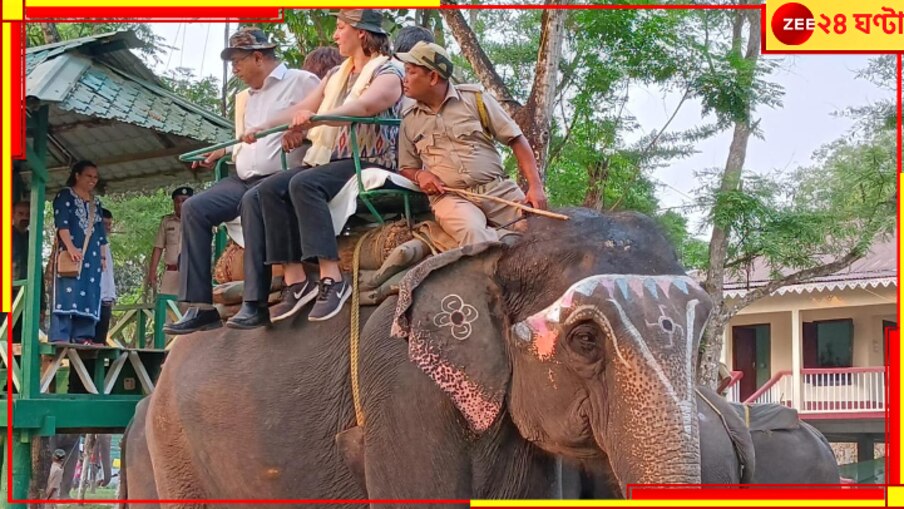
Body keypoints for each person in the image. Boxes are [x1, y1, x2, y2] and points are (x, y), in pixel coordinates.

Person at [226, 9, 404, 327]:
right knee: (264, 190)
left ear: (361, 33)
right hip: (333, 159)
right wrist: (263, 126)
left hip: (370, 156)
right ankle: (297, 282)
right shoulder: (336, 76)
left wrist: (318, 118)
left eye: (340, 28)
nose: (335, 35)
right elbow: (301, 108)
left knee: (303, 184)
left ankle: (332, 278)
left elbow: (366, 106)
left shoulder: (389, 71)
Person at [164, 27, 320, 335]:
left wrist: (300, 131)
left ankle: (255, 303)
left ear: (258, 57)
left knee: (254, 201)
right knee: (195, 208)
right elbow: (245, 140)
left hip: (279, 178)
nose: (234, 70)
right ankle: (200, 306)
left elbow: (321, 123)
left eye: (237, 61)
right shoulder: (245, 98)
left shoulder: (302, 82)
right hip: (243, 176)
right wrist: (221, 151)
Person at [396, 42, 547, 246]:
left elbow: (517, 140)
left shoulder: (475, 100)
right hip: (452, 198)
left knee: (539, 232)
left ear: (433, 77)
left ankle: (512, 241)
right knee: (473, 234)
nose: (404, 79)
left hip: (497, 190)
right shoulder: (409, 119)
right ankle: (509, 244)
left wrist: (535, 187)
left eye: (410, 72)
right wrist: (420, 175)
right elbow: (407, 167)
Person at [50, 161, 107, 344]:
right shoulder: (65, 195)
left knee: (89, 292)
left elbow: (100, 232)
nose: (92, 180)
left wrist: (103, 256)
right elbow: (62, 224)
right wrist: (70, 247)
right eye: (88, 176)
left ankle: (83, 335)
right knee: (67, 291)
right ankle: (61, 335)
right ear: (77, 175)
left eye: (95, 177)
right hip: (71, 252)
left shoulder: (95, 202)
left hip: (92, 255)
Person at [147, 187, 192, 297]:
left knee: (190, 309)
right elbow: (158, 247)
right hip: (171, 272)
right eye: (177, 201)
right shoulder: (166, 221)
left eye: (184, 201)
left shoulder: (198, 220)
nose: (180, 205)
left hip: (191, 273)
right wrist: (152, 271)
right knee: (167, 308)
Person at [94, 208, 116, 344]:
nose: (107, 228)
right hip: (95, 298)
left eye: (109, 225)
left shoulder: (106, 246)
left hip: (106, 298)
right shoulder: (90, 244)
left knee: (100, 341)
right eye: (104, 224)